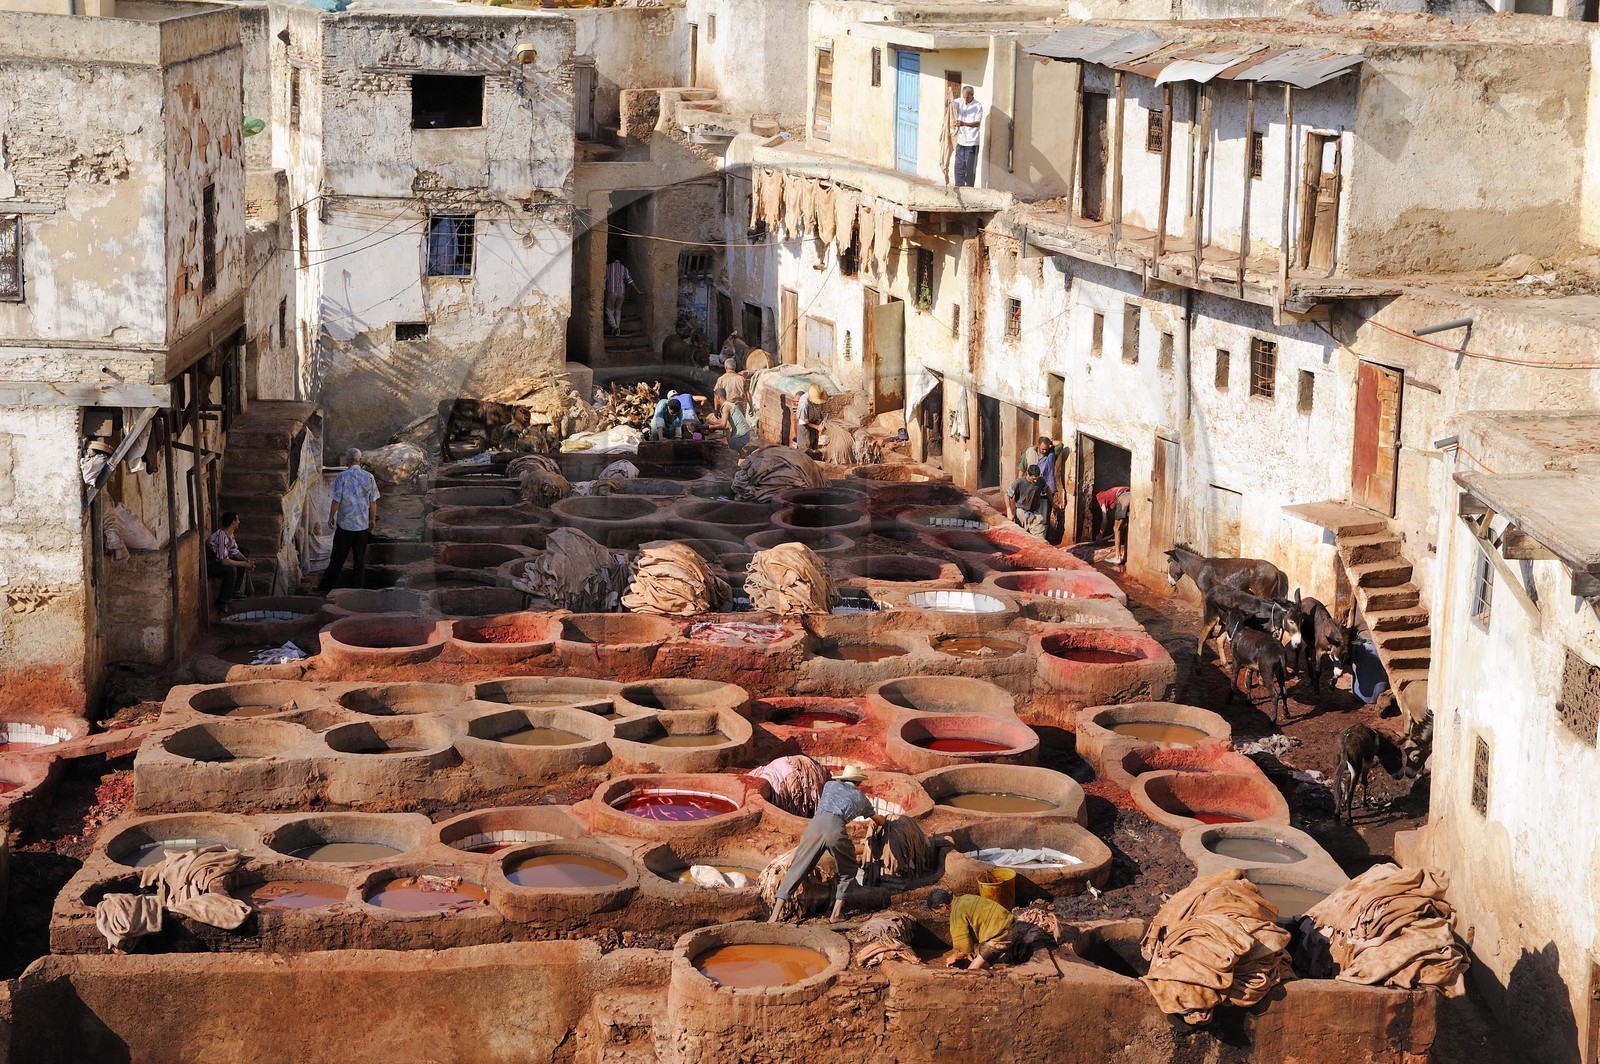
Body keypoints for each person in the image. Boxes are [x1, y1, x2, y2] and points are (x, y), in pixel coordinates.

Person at [768, 765, 885, 924]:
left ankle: (774, 916)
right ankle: (836, 914)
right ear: (859, 783)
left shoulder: (830, 785)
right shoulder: (861, 799)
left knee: (797, 868)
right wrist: (886, 822)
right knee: (849, 871)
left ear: (843, 778)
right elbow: (878, 821)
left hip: (815, 826)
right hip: (836, 829)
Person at [317, 448, 380, 594]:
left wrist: (331, 516)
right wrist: (372, 519)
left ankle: (325, 588)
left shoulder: (342, 476)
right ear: (360, 460)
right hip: (362, 526)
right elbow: (373, 502)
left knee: (337, 559)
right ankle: (357, 591)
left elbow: (336, 500)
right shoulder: (369, 477)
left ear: (347, 460)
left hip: (345, 526)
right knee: (359, 560)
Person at [928, 889, 1017, 970]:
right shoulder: (966, 898)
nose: (941, 915)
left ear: (943, 906)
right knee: (981, 954)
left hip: (1001, 935)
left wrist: (954, 957)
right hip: (1011, 923)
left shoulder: (956, 915)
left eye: (939, 913)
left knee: (971, 973)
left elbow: (964, 950)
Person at [206, 511, 256, 610]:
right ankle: (222, 601)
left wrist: (247, 561)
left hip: (217, 562)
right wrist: (243, 563)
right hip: (209, 565)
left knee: (240, 564)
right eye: (238, 520)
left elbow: (235, 551)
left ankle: (235, 591)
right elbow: (223, 561)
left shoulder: (230, 535)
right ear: (233, 522)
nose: (239, 522)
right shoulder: (221, 535)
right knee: (231, 569)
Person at [1006, 464, 1049, 538]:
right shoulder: (1019, 482)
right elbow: (1007, 495)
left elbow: (1047, 489)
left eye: (1037, 478)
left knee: (1040, 538)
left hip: (1035, 513)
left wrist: (1054, 504)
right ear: (1028, 474)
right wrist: (1009, 511)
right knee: (1021, 538)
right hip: (1021, 513)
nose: (1035, 481)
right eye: (1033, 479)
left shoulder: (1041, 481)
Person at [954, 86, 983, 188]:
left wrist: (963, 123)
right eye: (964, 97)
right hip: (960, 141)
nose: (965, 99)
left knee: (970, 169)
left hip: (972, 143)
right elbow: (949, 104)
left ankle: (970, 190)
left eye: (967, 97)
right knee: (959, 167)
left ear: (972, 95)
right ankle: (958, 188)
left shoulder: (978, 106)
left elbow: (977, 123)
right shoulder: (959, 102)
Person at [1096, 485, 1131, 566]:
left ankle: (1118, 557)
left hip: (1123, 498)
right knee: (1126, 529)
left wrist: (1100, 535)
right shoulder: (1109, 493)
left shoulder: (1100, 497)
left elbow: (1105, 520)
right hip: (1131, 495)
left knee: (1116, 529)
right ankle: (1125, 556)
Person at [604, 258, 638, 334]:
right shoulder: (624, 268)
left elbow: (604, 279)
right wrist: (637, 290)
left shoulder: (607, 267)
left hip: (611, 291)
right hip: (621, 292)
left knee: (609, 310)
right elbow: (630, 281)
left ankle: (615, 326)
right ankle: (617, 331)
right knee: (618, 311)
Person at [798, 383, 827, 456]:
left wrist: (821, 421)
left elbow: (821, 412)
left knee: (814, 446)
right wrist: (818, 427)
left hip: (815, 422)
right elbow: (803, 421)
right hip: (805, 426)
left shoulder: (820, 398)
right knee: (805, 450)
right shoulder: (804, 404)